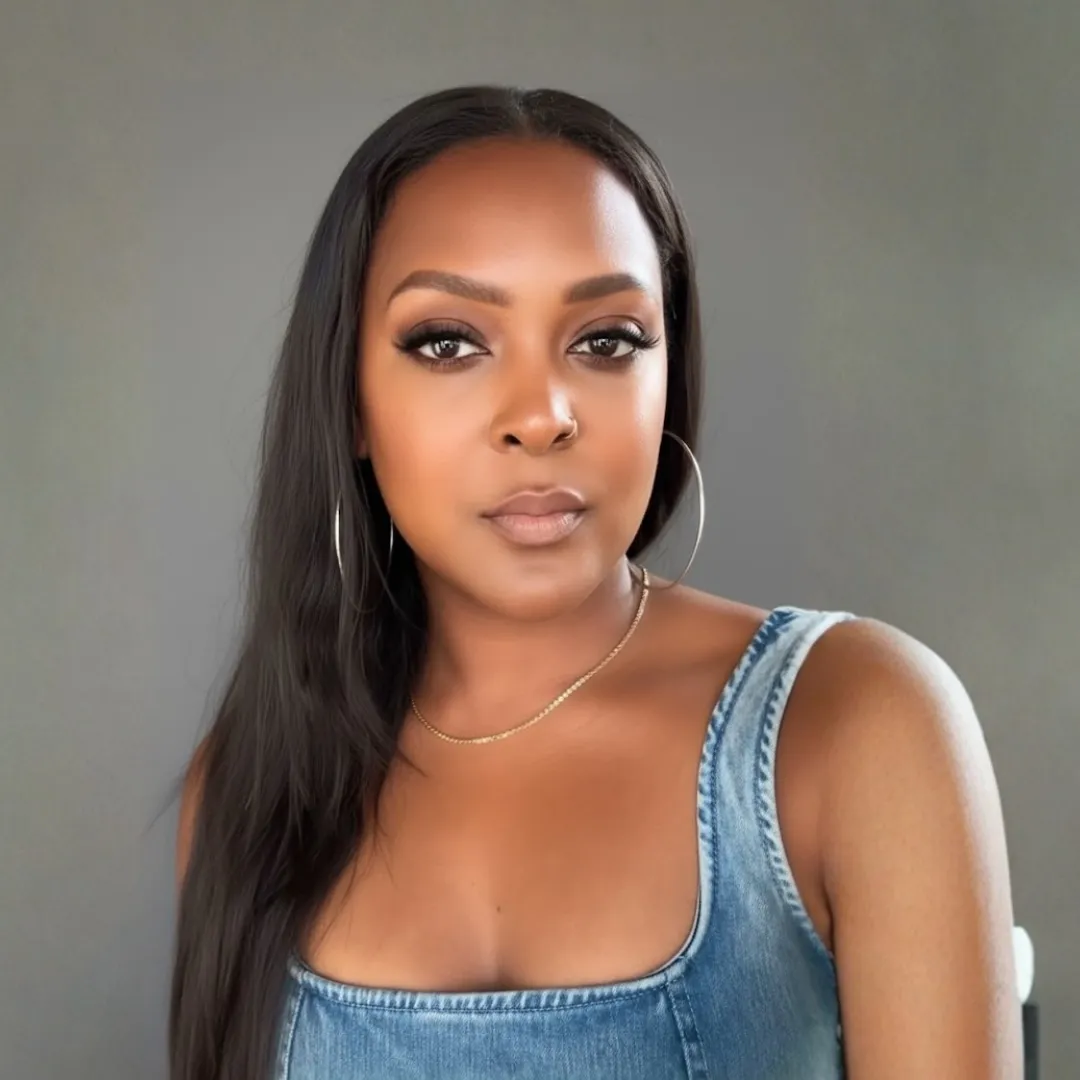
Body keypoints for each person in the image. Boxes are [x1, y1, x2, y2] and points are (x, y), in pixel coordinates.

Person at [169, 85, 1022, 1080]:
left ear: (668, 374)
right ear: (349, 400)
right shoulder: (252, 783)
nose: (542, 416)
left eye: (605, 340)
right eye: (448, 342)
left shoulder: (858, 725)